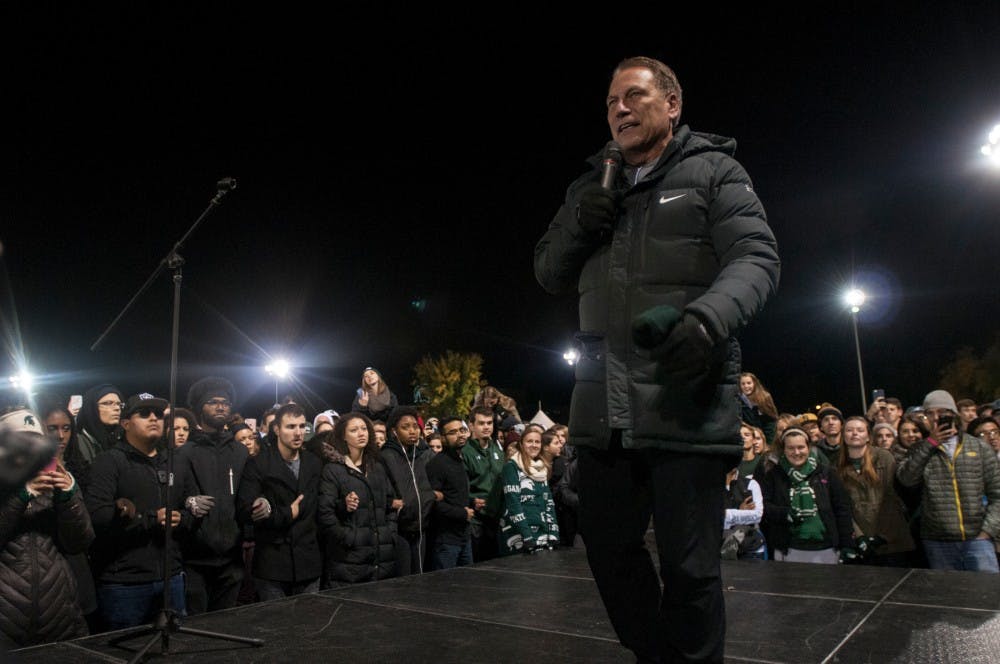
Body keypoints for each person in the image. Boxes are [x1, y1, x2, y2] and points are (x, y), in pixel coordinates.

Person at [534, 55, 779, 663]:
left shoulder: (716, 171)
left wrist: (708, 319)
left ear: (672, 105)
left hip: (684, 403)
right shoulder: (592, 186)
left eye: (635, 95)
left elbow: (757, 257)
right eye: (612, 101)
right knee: (610, 558)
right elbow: (546, 272)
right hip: (603, 415)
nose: (620, 108)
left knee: (691, 571)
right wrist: (579, 227)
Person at [85, 393, 195, 630]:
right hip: (124, 584)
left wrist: (183, 518)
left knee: (177, 650)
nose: (154, 418)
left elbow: (191, 507)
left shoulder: (175, 462)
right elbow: (97, 516)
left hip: (171, 578)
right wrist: (150, 519)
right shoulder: (109, 462)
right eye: (144, 414)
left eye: (158, 414)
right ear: (125, 423)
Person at [0, 407, 94, 648]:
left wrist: (68, 497)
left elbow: (79, 542)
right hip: (6, 617)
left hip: (57, 610)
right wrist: (23, 495)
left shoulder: (56, 482)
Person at [896, 390, 1000, 573]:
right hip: (938, 543)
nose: (936, 418)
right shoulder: (919, 449)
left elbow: (997, 494)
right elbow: (906, 479)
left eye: (942, 413)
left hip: (978, 539)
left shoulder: (979, 447)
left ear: (953, 415)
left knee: (988, 596)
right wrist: (931, 443)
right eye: (930, 413)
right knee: (949, 598)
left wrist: (987, 531)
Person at [175, 376, 249, 615]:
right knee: (196, 627)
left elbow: (246, 495)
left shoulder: (239, 451)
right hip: (195, 561)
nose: (220, 406)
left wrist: (259, 502)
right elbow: (174, 498)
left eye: (225, 402)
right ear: (199, 409)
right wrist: (188, 502)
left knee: (226, 625)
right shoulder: (185, 452)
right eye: (213, 402)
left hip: (232, 561)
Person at [237, 403, 323, 598]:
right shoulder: (259, 464)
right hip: (273, 566)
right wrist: (283, 513)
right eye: (291, 427)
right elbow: (244, 510)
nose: (298, 432)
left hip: (308, 564)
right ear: (276, 429)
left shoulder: (313, 462)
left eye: (302, 426)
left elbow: (318, 507)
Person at [318, 412, 397, 586]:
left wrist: (389, 533)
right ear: (343, 437)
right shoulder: (334, 469)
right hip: (349, 561)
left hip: (382, 558)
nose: (361, 433)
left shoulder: (377, 467)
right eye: (354, 430)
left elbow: (390, 505)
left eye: (364, 429)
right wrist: (348, 538)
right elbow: (325, 514)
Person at [760, 427, 854, 565]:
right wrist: (784, 513)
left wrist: (847, 543)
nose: (796, 452)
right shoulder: (774, 475)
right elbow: (764, 506)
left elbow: (842, 508)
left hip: (826, 548)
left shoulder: (826, 473)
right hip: (789, 548)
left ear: (808, 447)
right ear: (783, 449)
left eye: (801, 447)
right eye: (791, 448)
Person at [836, 417, 914, 566]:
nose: (854, 434)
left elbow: (892, 497)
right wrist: (859, 536)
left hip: (891, 538)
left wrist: (882, 535)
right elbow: (842, 506)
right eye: (849, 430)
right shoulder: (835, 465)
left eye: (860, 430)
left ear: (868, 436)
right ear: (843, 435)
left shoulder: (884, 457)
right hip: (860, 540)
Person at [379, 405, 435, 573]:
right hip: (399, 529)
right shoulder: (386, 456)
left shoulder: (419, 455)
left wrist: (431, 497)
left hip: (420, 527)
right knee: (403, 579)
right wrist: (390, 503)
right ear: (394, 431)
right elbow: (380, 490)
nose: (412, 431)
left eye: (415, 427)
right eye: (405, 427)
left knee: (419, 575)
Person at [498, 428, 559, 554]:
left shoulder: (542, 468)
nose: (534, 445)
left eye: (537, 442)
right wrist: (527, 536)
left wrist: (554, 533)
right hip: (520, 536)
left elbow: (549, 503)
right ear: (521, 444)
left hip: (543, 534)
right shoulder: (511, 467)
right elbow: (513, 504)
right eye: (529, 441)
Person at [425, 416, 475, 569]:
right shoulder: (437, 464)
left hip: (464, 536)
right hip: (446, 540)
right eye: (453, 432)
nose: (460, 434)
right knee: (446, 587)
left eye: (462, 430)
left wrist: (472, 503)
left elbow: (453, 494)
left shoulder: (460, 459)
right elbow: (433, 503)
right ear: (442, 438)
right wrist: (461, 513)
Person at [462, 405, 506, 562]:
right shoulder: (465, 451)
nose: (486, 427)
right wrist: (471, 500)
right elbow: (460, 486)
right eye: (481, 423)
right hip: (475, 520)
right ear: (471, 425)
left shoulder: (497, 450)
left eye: (489, 423)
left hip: (496, 517)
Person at [738, 372, 778, 444]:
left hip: (764, 437)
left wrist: (769, 443)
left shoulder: (764, 397)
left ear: (755, 383)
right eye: (743, 384)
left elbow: (771, 421)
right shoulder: (737, 400)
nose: (746, 386)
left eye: (749, 383)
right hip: (747, 438)